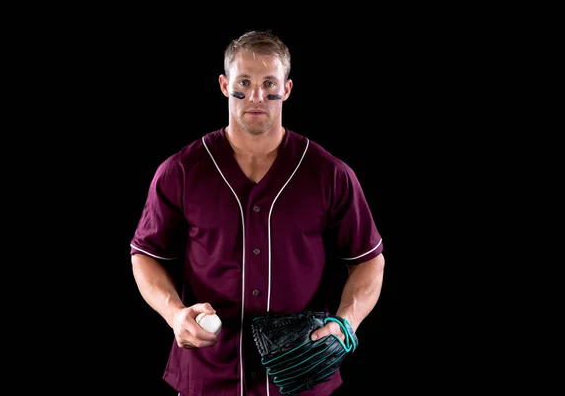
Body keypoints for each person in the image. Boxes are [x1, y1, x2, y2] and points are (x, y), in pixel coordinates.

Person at [129, 29, 385, 396]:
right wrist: (174, 314)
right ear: (223, 84)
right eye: (244, 82)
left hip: (301, 375)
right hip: (207, 376)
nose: (256, 96)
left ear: (288, 89)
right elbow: (145, 254)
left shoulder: (328, 173)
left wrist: (346, 323)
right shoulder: (182, 170)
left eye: (269, 83)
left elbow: (369, 259)